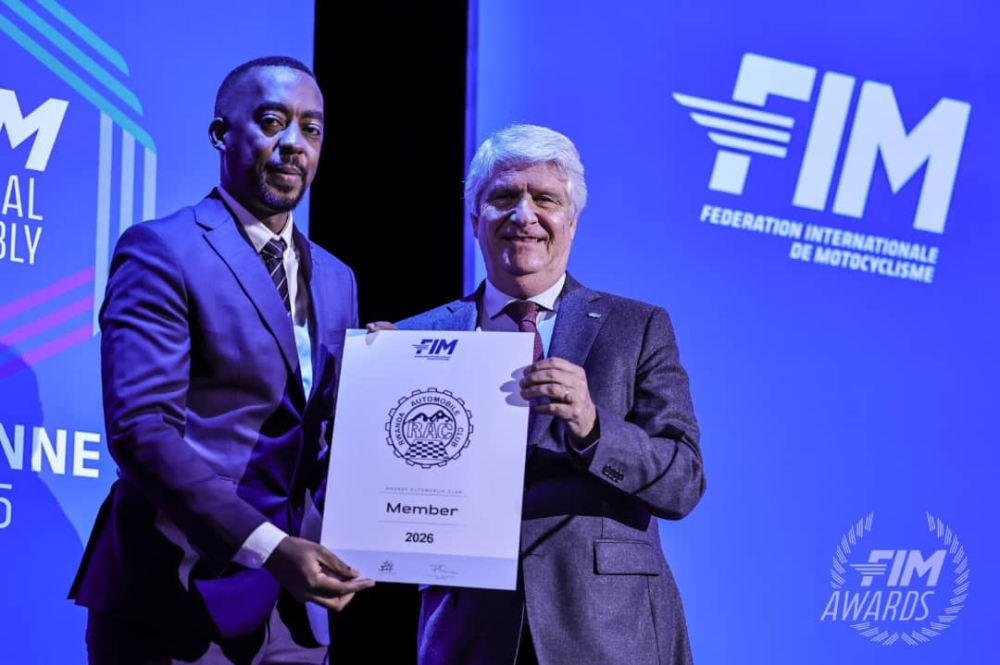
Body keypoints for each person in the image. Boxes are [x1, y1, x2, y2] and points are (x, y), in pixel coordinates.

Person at [69, 55, 374, 664]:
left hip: (294, 613)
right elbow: (141, 431)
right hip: (175, 591)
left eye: (311, 128)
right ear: (220, 134)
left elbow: (322, 433)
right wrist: (269, 547)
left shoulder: (336, 279)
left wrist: (383, 380)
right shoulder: (163, 250)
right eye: (272, 122)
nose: (294, 143)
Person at [370, 123, 706, 664]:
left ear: (571, 221)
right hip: (469, 631)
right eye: (504, 197)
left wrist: (594, 427)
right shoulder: (414, 339)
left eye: (545, 199)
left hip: (608, 630)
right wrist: (370, 388)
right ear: (474, 218)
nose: (524, 215)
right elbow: (370, 487)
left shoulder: (636, 327)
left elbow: (683, 483)